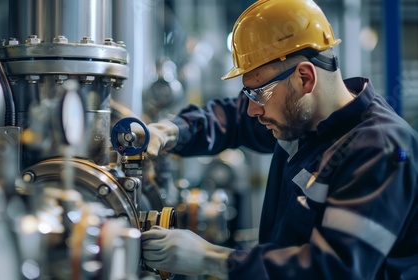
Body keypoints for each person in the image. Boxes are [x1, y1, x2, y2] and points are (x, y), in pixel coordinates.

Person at [140, 0, 418, 279]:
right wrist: (166, 131)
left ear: (305, 78)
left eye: (258, 93)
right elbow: (232, 119)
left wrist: (211, 259)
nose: (251, 109)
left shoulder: (379, 150)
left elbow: (334, 269)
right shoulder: (304, 118)